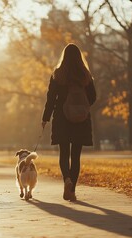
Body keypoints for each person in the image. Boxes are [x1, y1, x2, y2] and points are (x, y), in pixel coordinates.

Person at [42, 43, 96, 201]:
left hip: (62, 119)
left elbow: (51, 98)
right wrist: (82, 107)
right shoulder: (85, 75)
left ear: (64, 57)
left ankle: (67, 179)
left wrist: (45, 117)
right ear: (79, 57)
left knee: (64, 153)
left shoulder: (58, 74)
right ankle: (72, 190)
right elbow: (93, 96)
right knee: (76, 156)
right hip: (81, 120)